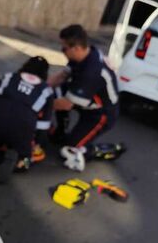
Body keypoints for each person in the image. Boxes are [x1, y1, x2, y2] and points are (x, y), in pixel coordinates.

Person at [49, 24, 120, 171]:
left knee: (70, 150)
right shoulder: (83, 54)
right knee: (54, 92)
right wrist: (38, 89)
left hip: (101, 114)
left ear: (76, 48)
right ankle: (61, 131)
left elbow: (66, 104)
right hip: (85, 100)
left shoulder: (91, 72)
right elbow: (62, 76)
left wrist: (34, 104)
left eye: (64, 48)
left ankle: (100, 150)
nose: (62, 51)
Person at [0, 56, 53, 183]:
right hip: (23, 128)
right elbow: (43, 125)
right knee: (28, 157)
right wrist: (37, 143)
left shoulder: (9, 77)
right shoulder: (47, 91)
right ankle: (18, 159)